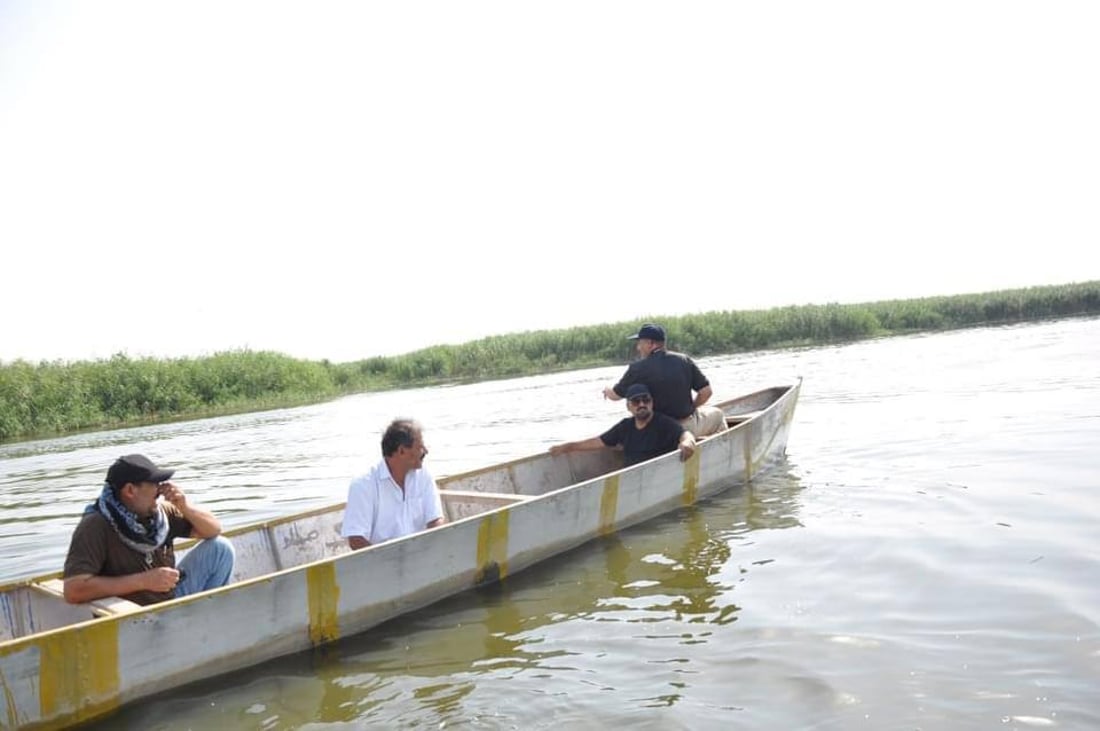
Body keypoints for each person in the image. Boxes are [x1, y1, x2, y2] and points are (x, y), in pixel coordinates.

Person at [63, 454, 235, 606]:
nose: (160, 489)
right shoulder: (95, 525)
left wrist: (184, 506)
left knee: (220, 548)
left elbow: (213, 530)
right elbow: (74, 590)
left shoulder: (160, 513)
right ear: (130, 490)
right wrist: (143, 581)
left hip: (170, 599)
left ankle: (205, 622)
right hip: (133, 616)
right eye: (154, 483)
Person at [602, 322, 727, 437]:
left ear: (651, 344)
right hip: (686, 426)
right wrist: (691, 408)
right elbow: (706, 392)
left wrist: (607, 390)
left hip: (655, 430)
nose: (638, 348)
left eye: (640, 343)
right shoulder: (684, 360)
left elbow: (615, 396)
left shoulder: (637, 368)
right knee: (718, 414)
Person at [342, 418, 446, 550]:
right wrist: (389, 564)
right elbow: (356, 540)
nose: (425, 451)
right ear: (402, 451)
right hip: (382, 564)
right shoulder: (363, 484)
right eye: (420, 447)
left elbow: (435, 520)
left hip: (421, 557)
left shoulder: (424, 475)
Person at [551, 383, 696, 467]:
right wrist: (568, 447)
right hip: (632, 475)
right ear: (629, 407)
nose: (641, 404)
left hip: (657, 471)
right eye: (636, 401)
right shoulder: (624, 427)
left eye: (645, 400)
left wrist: (688, 442)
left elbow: (684, 434)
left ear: (652, 403)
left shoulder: (662, 422)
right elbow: (598, 442)